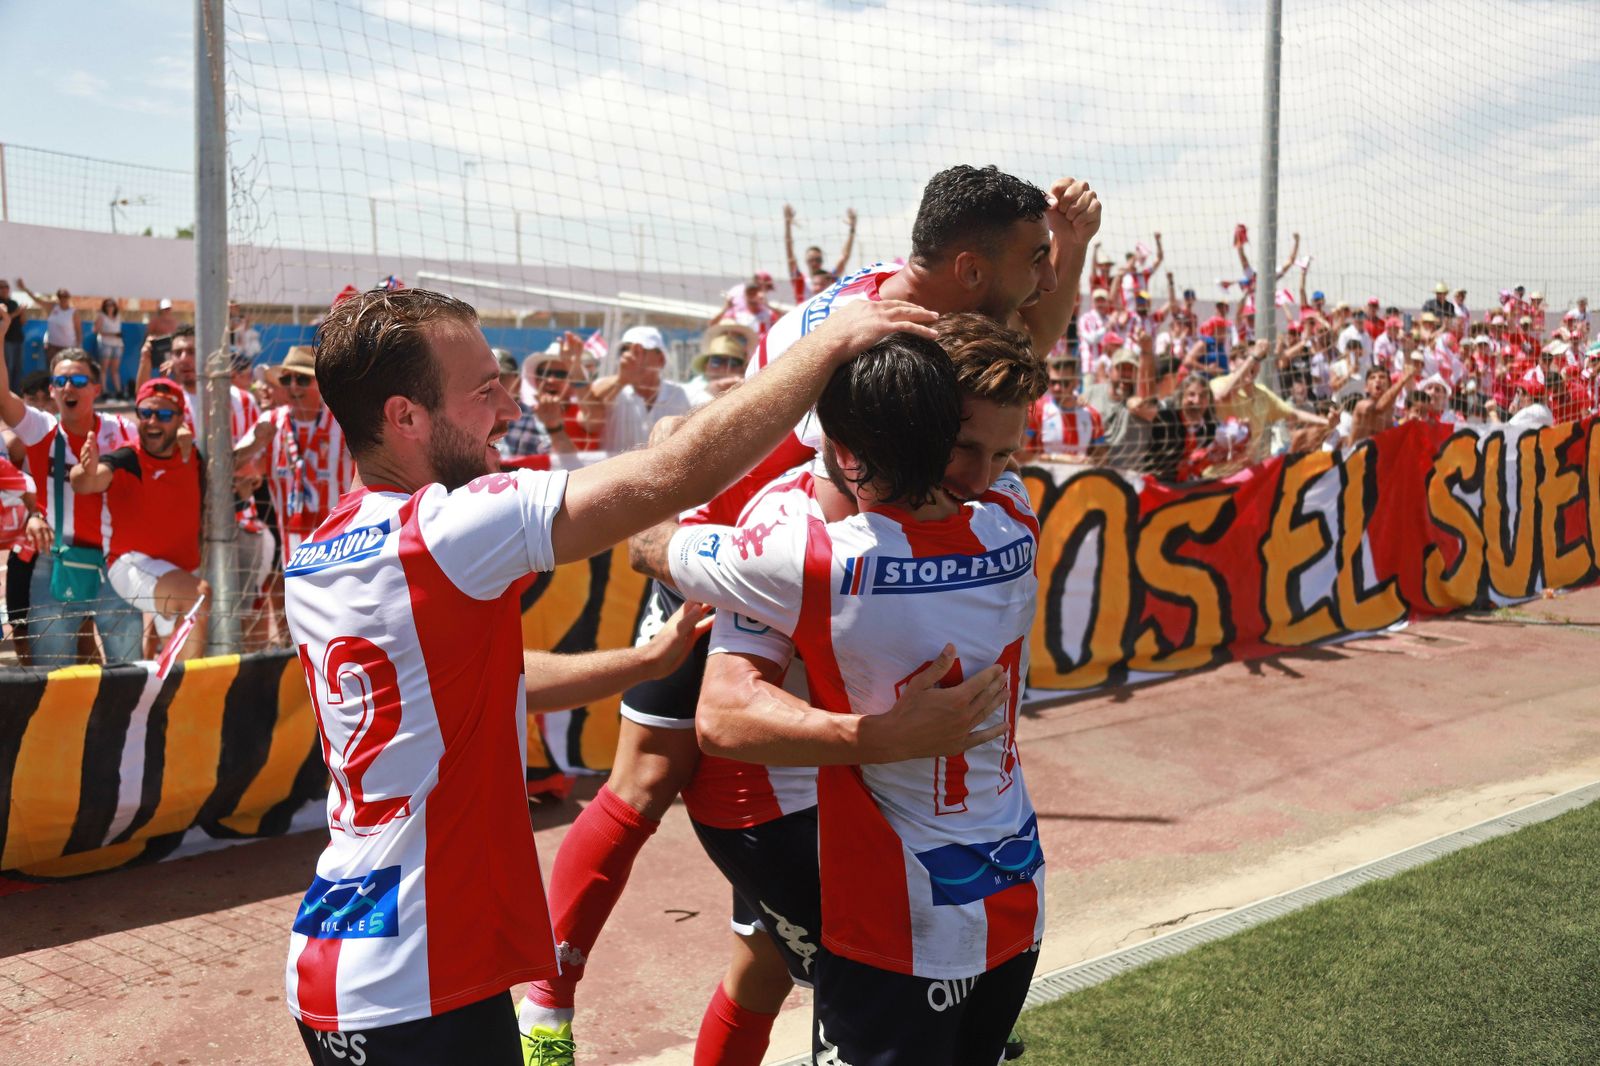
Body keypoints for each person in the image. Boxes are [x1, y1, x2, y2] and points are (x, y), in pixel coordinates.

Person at [516, 165, 1098, 1064]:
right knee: (645, 781)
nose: (1046, 280)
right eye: (1037, 262)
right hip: (739, 565)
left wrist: (1078, 249)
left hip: (790, 574)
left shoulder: (937, 343)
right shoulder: (958, 466)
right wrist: (672, 510)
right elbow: (681, 517)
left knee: (763, 949)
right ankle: (547, 1009)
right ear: (973, 272)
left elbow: (1011, 387)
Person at [282, 285, 945, 1066]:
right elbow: (673, 474)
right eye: (483, 391)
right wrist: (827, 344)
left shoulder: (320, 552)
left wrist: (639, 663)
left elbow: (461, 685)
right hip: (418, 983)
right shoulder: (447, 527)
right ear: (406, 418)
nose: (504, 407)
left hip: (335, 957)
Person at [652, 330, 1043, 1066]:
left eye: (1000, 456)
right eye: (967, 450)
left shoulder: (806, 549)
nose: (984, 476)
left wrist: (674, 449)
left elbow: (655, 543)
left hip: (897, 918)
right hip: (1010, 887)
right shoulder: (1015, 515)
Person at [0, 312, 141, 667]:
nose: (68, 387)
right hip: (56, 562)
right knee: (54, 676)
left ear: (96, 388)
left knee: (128, 673)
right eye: (60, 381)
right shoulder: (42, 429)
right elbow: (3, 400)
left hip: (116, 564)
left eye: (79, 380)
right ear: (51, 390)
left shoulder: (123, 431)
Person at [69, 379, 209, 661]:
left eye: (164, 415)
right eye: (145, 413)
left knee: (172, 648)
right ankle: (183, 691)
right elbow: (87, 483)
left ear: (181, 419)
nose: (152, 421)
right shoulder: (126, 459)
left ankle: (164, 694)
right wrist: (85, 470)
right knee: (198, 597)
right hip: (130, 564)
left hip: (176, 571)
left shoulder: (192, 454)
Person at [265, 345, 356, 566]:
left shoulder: (344, 422)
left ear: (320, 384)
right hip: (292, 547)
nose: (294, 386)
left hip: (341, 544)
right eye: (287, 380)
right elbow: (242, 470)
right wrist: (257, 445)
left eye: (302, 380)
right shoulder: (269, 422)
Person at [579, 326, 692, 453]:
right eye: (625, 350)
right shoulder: (611, 386)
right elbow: (587, 413)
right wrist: (621, 380)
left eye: (640, 351)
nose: (630, 355)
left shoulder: (679, 394)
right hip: (616, 472)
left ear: (661, 360)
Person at [500, 343, 578, 460]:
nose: (550, 380)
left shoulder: (586, 417)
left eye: (561, 375)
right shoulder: (517, 415)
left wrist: (554, 428)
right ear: (535, 379)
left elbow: (573, 466)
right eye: (544, 373)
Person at [1023, 354, 1105, 463]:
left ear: (1076, 382)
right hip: (1043, 477)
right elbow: (1019, 455)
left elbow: (1101, 458)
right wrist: (1057, 458)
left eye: (1064, 383)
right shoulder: (1037, 410)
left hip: (1080, 477)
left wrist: (1090, 462)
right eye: (1053, 382)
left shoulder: (1092, 414)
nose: (1057, 388)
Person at [783, 204, 858, 301]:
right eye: (811, 259)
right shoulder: (800, 281)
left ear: (822, 261)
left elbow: (845, 256)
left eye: (818, 259)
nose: (815, 263)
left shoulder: (828, 278)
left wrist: (852, 229)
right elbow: (790, 257)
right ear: (806, 261)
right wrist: (787, 224)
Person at [683, 323, 753, 408]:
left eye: (734, 362)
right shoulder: (690, 389)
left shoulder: (750, 386)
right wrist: (709, 392)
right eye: (716, 361)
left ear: (743, 368)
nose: (724, 367)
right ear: (706, 365)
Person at [19, 282, 81, 359]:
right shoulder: (52, 307)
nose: (62, 298)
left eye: (65, 296)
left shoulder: (73, 312)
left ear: (69, 297)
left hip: (68, 348)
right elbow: (37, 300)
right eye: (60, 296)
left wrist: (78, 346)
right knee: (52, 368)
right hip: (52, 346)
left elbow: (78, 331)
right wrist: (25, 289)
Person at [94, 299, 126, 400]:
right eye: (108, 305)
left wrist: (121, 343)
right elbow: (96, 330)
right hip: (105, 344)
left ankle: (118, 391)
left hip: (117, 344)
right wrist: (112, 335)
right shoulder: (101, 316)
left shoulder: (118, 317)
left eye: (112, 305)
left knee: (115, 369)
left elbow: (119, 332)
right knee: (104, 368)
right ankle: (104, 391)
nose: (110, 307)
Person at [0, 279, 23, 385]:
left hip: (17, 339)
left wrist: (22, 313)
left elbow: (22, 322)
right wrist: (17, 312)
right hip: (6, 340)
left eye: (6, 287)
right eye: (1, 287)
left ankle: (15, 393)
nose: (4, 290)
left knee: (17, 369)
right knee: (7, 368)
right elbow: (4, 320)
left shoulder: (13, 303)